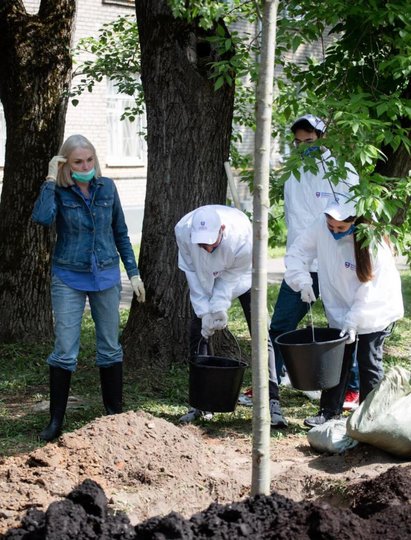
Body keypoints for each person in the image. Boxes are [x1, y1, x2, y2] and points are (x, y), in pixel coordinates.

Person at [32, 134, 146, 442]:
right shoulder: (59, 189)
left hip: (106, 274)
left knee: (110, 346)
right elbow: (42, 219)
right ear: (66, 164)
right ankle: (56, 422)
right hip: (68, 274)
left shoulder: (107, 187)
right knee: (65, 350)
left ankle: (114, 415)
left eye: (89, 160)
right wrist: (49, 179)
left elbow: (121, 232)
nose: (85, 166)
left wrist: (133, 274)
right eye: (78, 162)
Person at [283, 199, 404, 426]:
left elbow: (371, 290)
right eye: (331, 226)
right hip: (339, 304)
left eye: (341, 228)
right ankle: (329, 412)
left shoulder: (372, 241)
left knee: (368, 360)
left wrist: (353, 320)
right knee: (338, 359)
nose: (334, 232)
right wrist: (303, 281)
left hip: (374, 309)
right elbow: (297, 253)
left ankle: (369, 418)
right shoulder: (320, 225)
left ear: (355, 221)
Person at [269, 114, 360, 404]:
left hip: (336, 264)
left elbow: (354, 214)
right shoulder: (292, 174)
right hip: (301, 263)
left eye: (309, 141)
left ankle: (351, 387)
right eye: (298, 142)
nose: (303, 147)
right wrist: (298, 269)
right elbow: (297, 222)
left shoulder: (341, 171)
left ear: (322, 137)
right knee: (280, 325)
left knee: (346, 326)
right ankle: (271, 381)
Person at [175, 204, 287, 428]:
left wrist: (219, 306)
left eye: (211, 242)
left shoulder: (242, 237)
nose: (206, 248)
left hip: (244, 279)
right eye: (201, 243)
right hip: (204, 279)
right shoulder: (183, 231)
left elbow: (230, 278)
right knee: (198, 334)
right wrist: (204, 311)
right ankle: (201, 402)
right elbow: (192, 274)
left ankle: (271, 400)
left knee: (260, 333)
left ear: (222, 229)